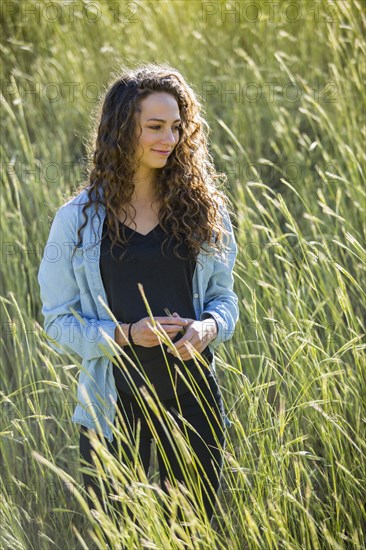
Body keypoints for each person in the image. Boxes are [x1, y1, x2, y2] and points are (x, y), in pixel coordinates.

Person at [38, 63, 239, 530]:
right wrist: (126, 334)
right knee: (117, 534)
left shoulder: (205, 210)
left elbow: (224, 300)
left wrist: (207, 328)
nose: (167, 138)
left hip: (194, 401)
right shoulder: (76, 220)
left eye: (175, 127)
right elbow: (56, 320)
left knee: (192, 533)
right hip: (113, 406)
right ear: (122, 127)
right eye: (154, 127)